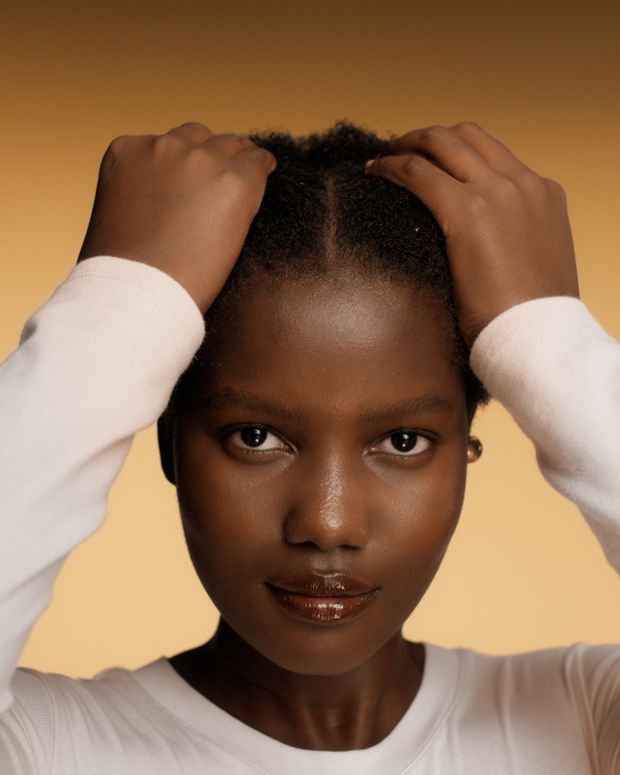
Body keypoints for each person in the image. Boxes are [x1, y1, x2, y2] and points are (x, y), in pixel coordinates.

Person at [0, 119, 618, 773]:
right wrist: (123, 305)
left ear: (466, 444)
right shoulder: (43, 747)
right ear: (168, 441)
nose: (328, 522)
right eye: (256, 437)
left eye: (402, 441)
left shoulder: (584, 717)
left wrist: (545, 338)